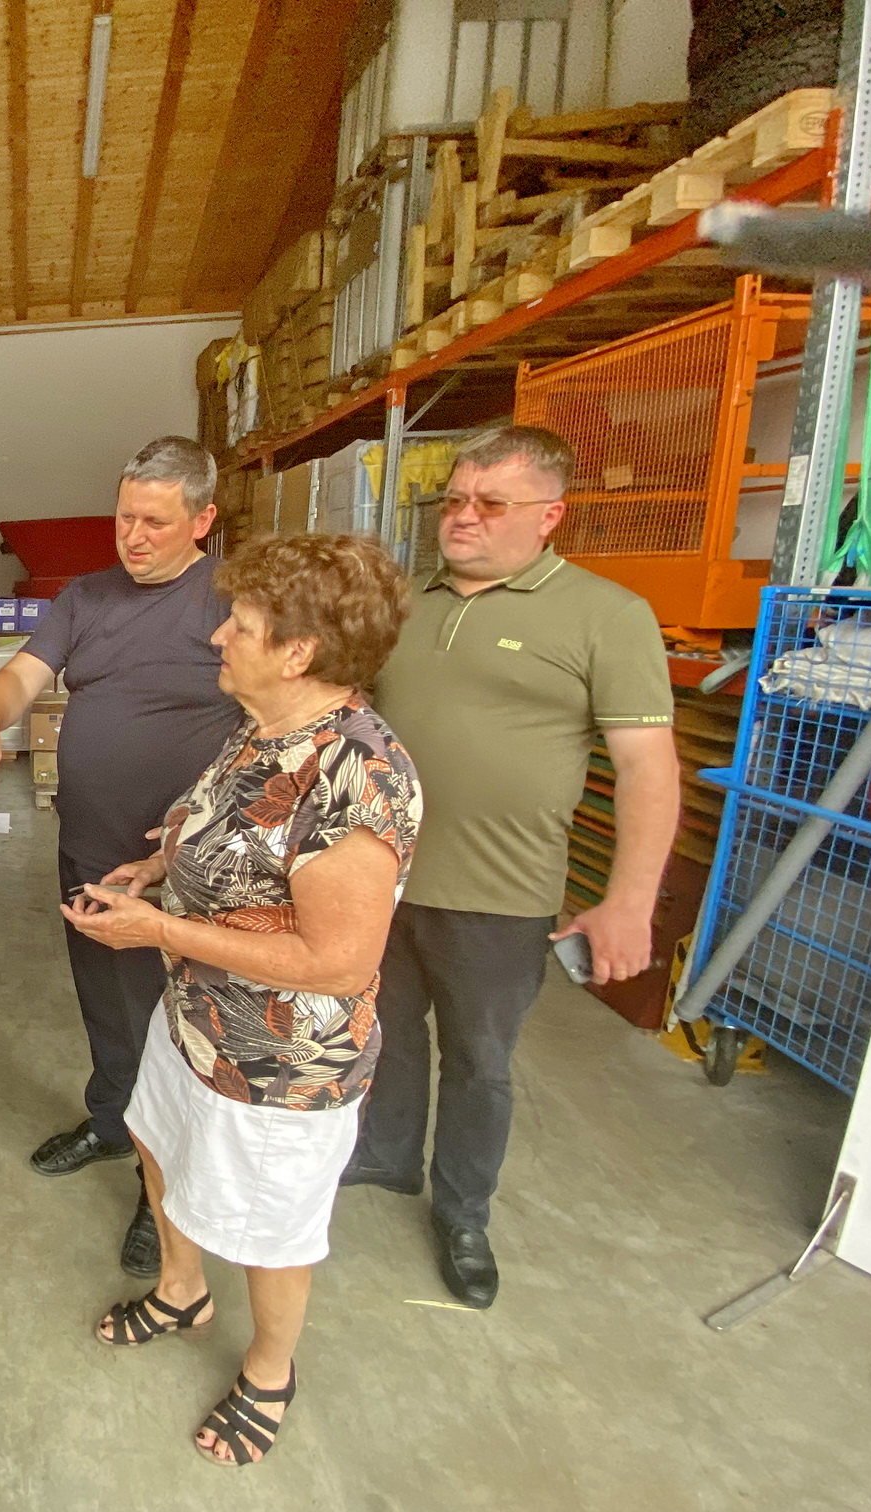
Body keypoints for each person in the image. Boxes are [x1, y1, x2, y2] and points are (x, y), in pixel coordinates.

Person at [63, 532, 420, 1466]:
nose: (218, 635)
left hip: (280, 1062)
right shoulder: (264, 730)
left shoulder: (356, 779)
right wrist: (154, 870)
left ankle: (268, 1371)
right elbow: (220, 832)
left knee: (271, 1230)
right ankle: (183, 1291)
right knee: (158, 1144)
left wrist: (159, 932)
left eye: (242, 626)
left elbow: (338, 964)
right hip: (195, 1022)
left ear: (299, 653)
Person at [347, 424, 680, 1309]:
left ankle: (463, 1213)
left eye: (490, 503)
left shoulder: (606, 615)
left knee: (480, 1060)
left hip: (500, 894)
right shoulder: (405, 603)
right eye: (454, 500)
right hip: (381, 877)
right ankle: (385, 1155)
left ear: (549, 516)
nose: (463, 517)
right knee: (382, 1030)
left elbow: (647, 768)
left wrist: (629, 901)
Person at [0, 436, 240, 1278]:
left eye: (155, 522)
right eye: (124, 517)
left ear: (203, 520)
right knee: (105, 1000)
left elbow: (274, 721)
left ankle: (162, 1188)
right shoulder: (85, 596)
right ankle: (113, 1122)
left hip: (180, 868)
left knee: (173, 1024)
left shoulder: (232, 600)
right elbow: (21, 675)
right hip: (89, 846)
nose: (133, 536)